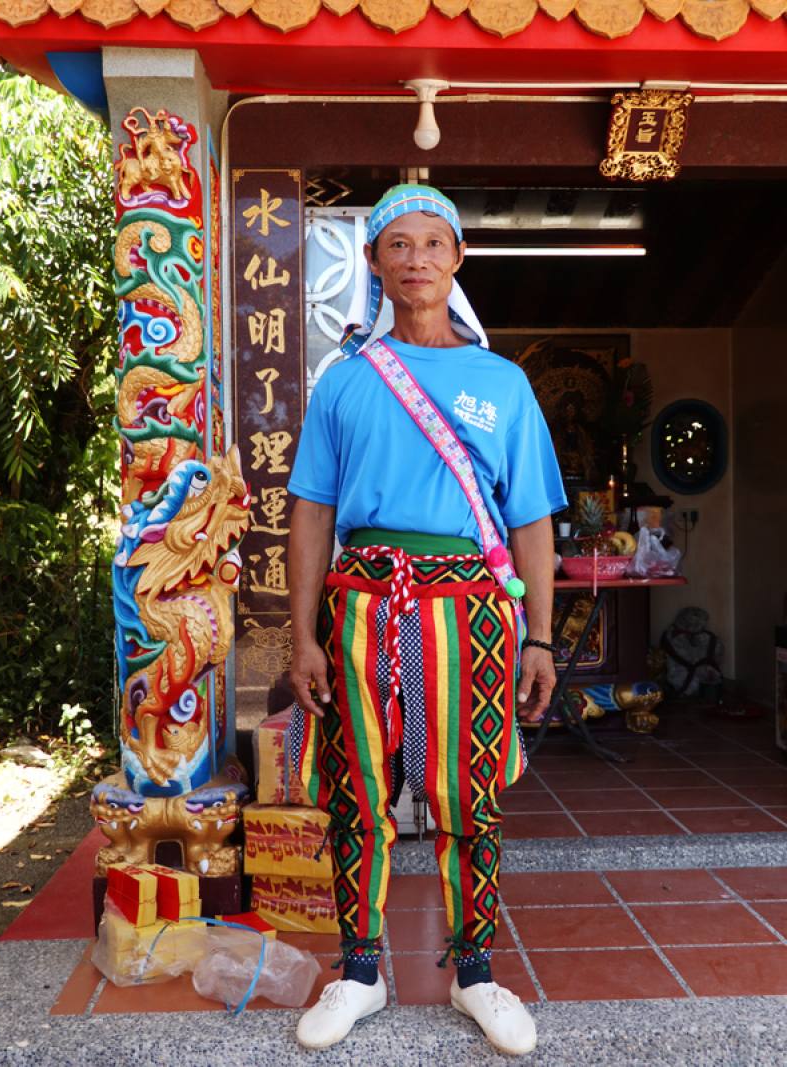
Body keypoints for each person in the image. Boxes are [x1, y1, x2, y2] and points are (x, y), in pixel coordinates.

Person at [287, 185, 566, 1055]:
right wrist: (303, 635)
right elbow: (311, 514)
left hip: (471, 615)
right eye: (398, 244)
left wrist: (541, 636)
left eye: (433, 243)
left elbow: (531, 521)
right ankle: (359, 971)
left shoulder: (502, 382)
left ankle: (474, 971)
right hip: (360, 606)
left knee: (467, 795)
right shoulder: (345, 381)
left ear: (458, 259)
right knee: (358, 792)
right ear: (374, 262)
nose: (416, 259)